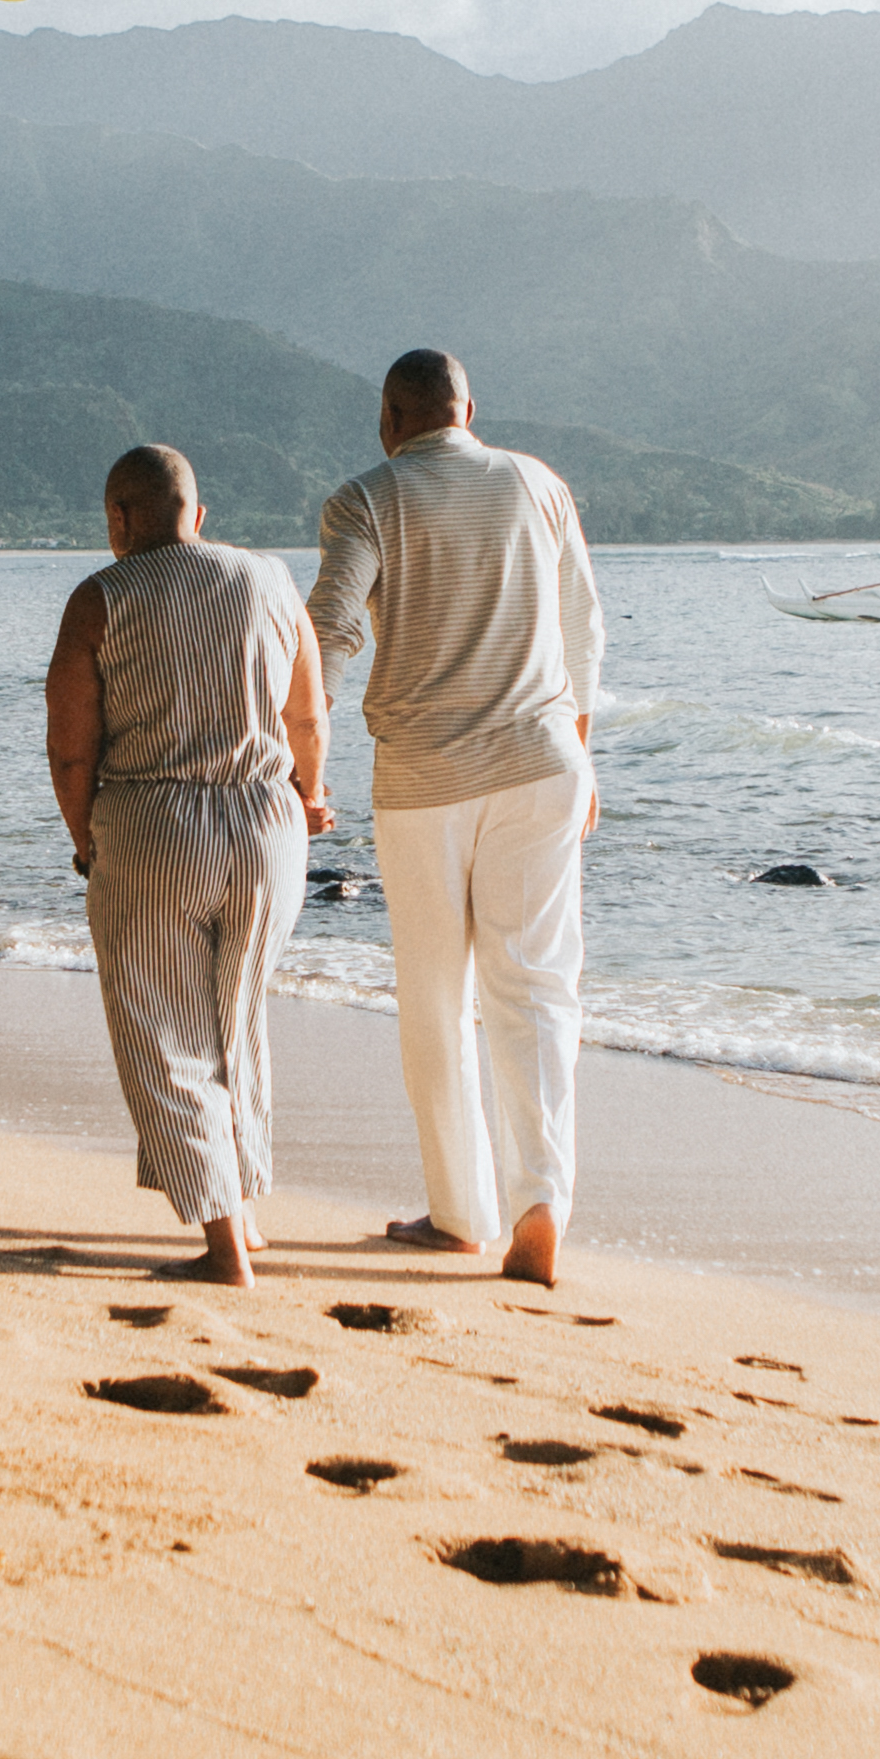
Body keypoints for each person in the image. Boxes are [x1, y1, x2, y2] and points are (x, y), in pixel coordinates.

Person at [307, 348, 603, 1286]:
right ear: (469, 410)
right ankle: (540, 1202)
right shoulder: (539, 483)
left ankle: (458, 1215)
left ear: (390, 419)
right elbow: (584, 627)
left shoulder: (365, 498)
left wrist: (302, 769)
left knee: (437, 1000)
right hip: (543, 763)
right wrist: (582, 752)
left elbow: (331, 631)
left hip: (425, 779)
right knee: (537, 989)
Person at [45, 443, 330, 1286]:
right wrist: (309, 798)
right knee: (236, 1021)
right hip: (266, 828)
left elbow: (71, 749)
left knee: (165, 1035)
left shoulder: (101, 598)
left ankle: (223, 1250)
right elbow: (307, 718)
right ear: (199, 518)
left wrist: (84, 839)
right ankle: (244, 1210)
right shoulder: (271, 580)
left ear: (119, 521)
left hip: (152, 821)